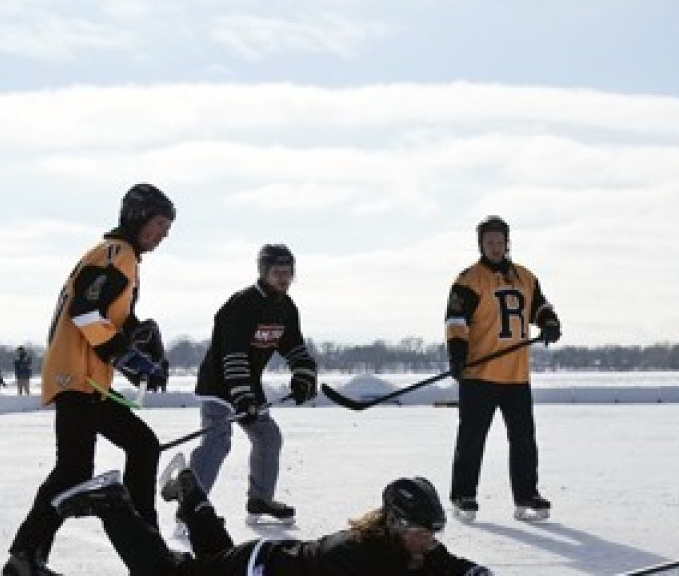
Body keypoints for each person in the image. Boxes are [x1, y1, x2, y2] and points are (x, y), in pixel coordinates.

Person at [3, 183, 175, 576]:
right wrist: (125, 354)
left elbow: (103, 313)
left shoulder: (116, 256)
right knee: (73, 470)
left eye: (167, 227)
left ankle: (147, 546)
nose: (163, 234)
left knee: (142, 445)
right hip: (77, 379)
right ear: (137, 217)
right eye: (159, 224)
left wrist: (136, 333)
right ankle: (23, 557)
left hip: (89, 381)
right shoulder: (119, 254)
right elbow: (85, 311)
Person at [49, 455, 492, 575]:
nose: (429, 539)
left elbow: (446, 566)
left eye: (434, 531)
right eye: (421, 531)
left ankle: (190, 491)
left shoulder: (410, 548)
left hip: (266, 560)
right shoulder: (363, 558)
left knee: (211, 560)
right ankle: (112, 503)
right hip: (256, 569)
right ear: (396, 524)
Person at [188, 244, 319, 532]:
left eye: (288, 273)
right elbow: (232, 353)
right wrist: (243, 397)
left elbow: (294, 347)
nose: (284, 279)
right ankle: (191, 507)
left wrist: (304, 375)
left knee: (269, 438)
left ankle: (259, 501)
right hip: (220, 384)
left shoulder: (285, 307)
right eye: (277, 273)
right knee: (217, 443)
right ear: (263, 273)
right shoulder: (244, 303)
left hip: (248, 386)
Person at [444, 215, 562, 522]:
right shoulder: (468, 279)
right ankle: (463, 495)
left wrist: (549, 322)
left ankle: (526, 495)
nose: (495, 247)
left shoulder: (525, 276)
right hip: (480, 374)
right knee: (472, 438)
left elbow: (540, 306)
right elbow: (456, 321)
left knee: (523, 438)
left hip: (516, 374)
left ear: (507, 242)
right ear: (481, 244)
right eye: (489, 242)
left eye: (500, 241)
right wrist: (457, 355)